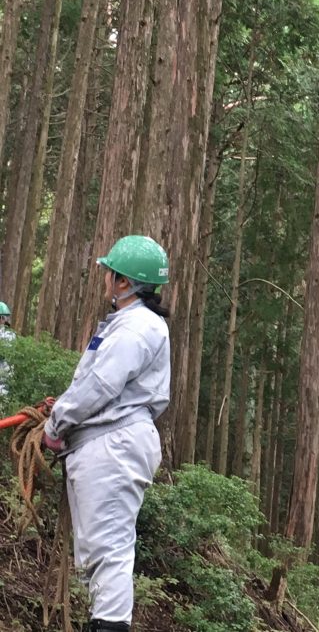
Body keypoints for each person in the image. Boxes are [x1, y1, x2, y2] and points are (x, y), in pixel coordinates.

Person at [42, 235, 171, 632]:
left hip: (114, 444)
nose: (105, 278)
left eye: (109, 272)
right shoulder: (129, 325)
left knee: (110, 552)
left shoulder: (136, 328)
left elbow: (100, 384)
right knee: (98, 553)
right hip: (105, 442)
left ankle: (110, 626)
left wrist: (56, 423)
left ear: (123, 282)